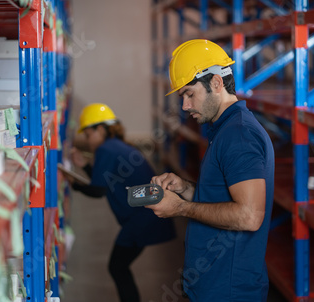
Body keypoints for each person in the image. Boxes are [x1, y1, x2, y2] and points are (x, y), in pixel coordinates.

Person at [147, 39, 275, 301]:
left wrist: (180, 208)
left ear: (216, 83)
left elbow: (249, 216)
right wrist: (185, 189)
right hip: (214, 285)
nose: (185, 106)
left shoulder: (239, 136)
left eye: (189, 94)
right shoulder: (225, 130)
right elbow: (223, 201)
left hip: (228, 290)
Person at [68, 103, 176, 302]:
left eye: (89, 134)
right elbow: (107, 182)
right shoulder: (116, 146)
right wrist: (84, 167)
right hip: (146, 214)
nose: (88, 140)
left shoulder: (106, 150)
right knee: (119, 266)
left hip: (142, 218)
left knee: (117, 266)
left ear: (101, 129)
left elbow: (98, 190)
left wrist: (73, 183)